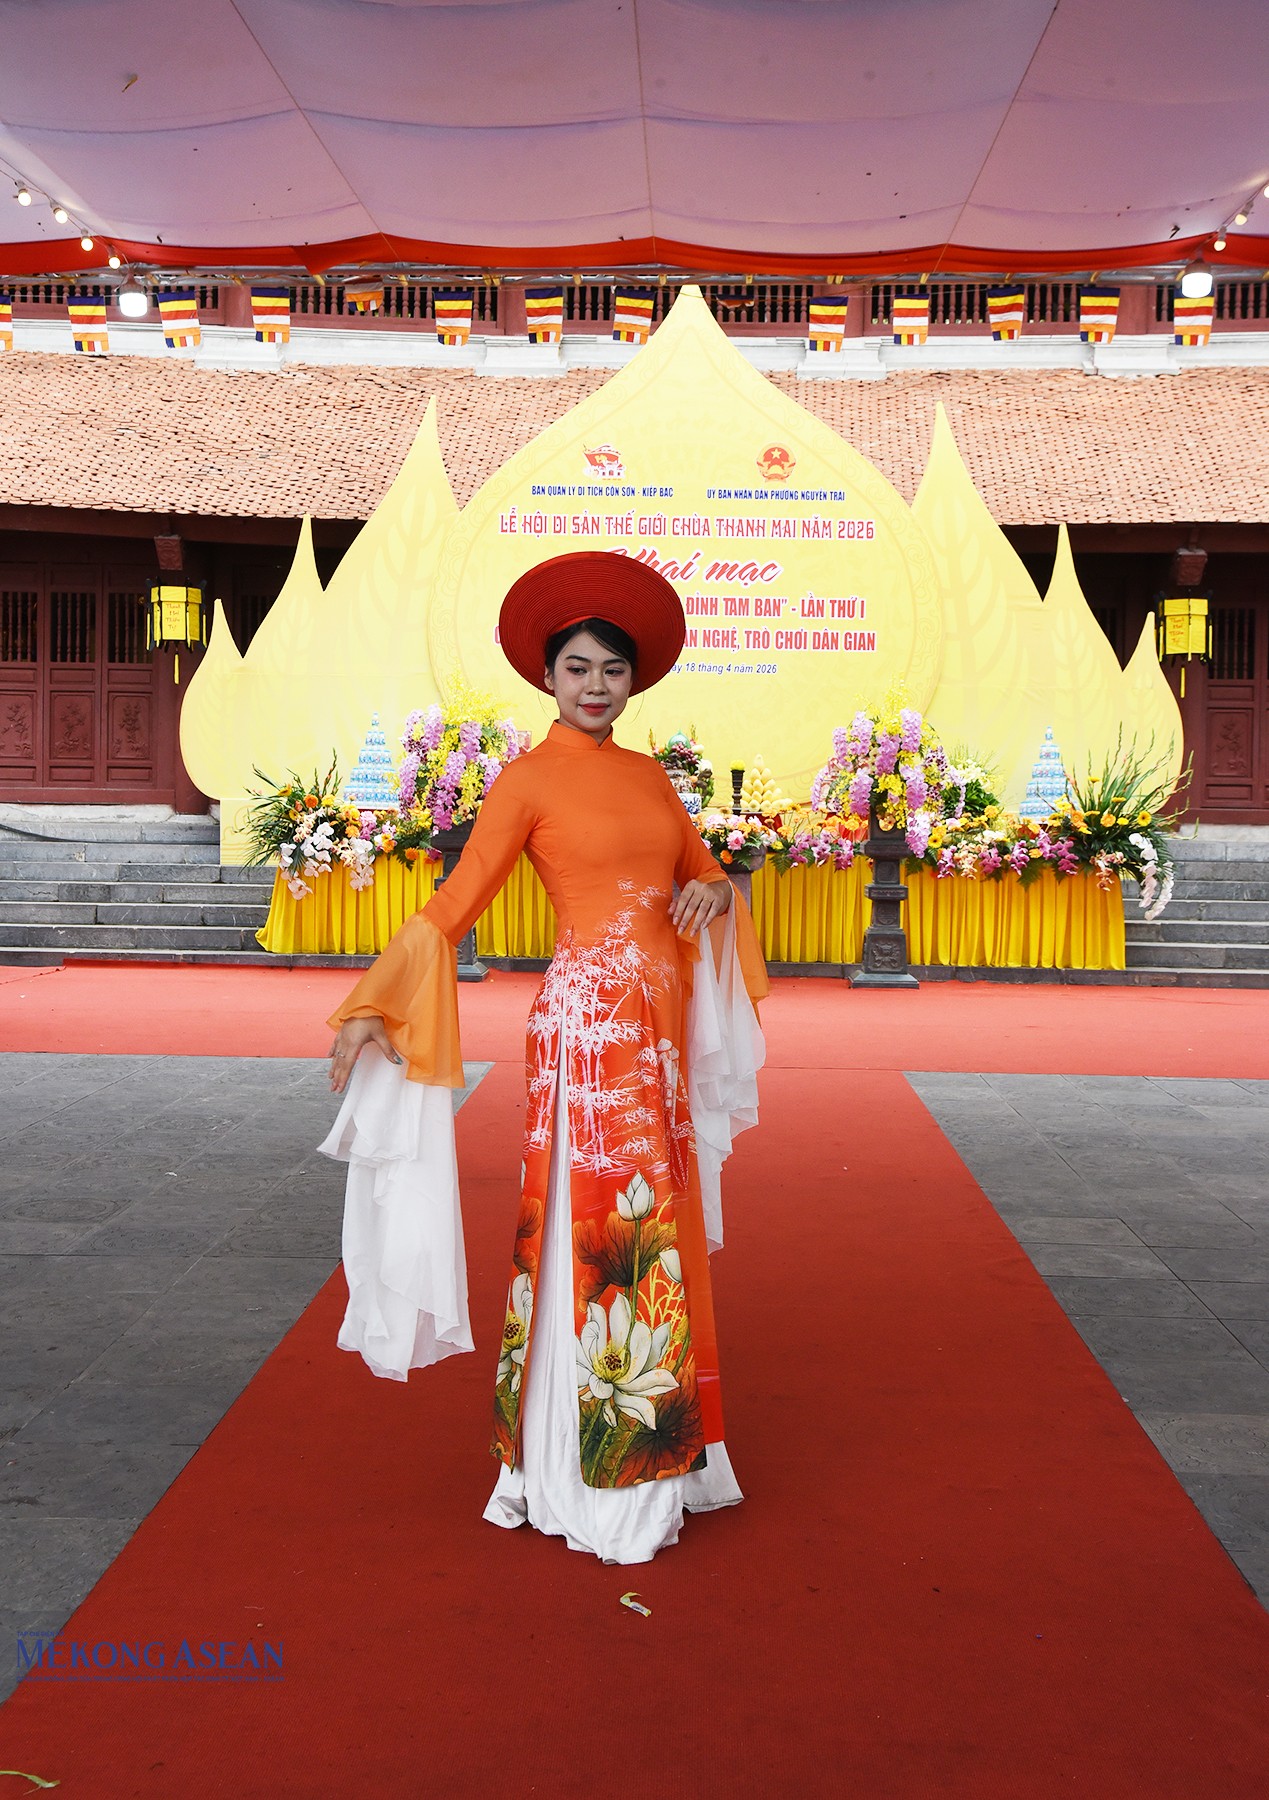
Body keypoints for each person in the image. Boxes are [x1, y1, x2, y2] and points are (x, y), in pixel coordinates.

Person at [323, 549, 767, 1563]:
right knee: (603, 1234)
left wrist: (715, 892)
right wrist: (374, 1004)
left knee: (655, 1238)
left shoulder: (651, 778)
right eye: (577, 668)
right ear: (547, 676)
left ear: (634, 679)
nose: (595, 685)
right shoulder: (525, 781)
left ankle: (656, 1454)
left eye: (612, 669)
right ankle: (588, 1471)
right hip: (587, 1034)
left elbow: (704, 876)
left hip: (656, 1039)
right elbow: (455, 904)